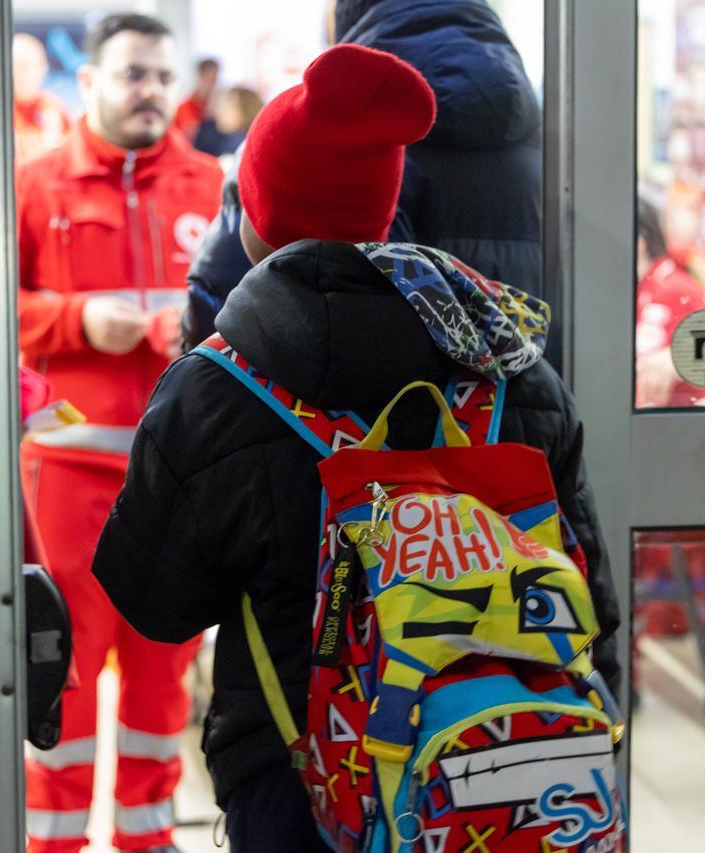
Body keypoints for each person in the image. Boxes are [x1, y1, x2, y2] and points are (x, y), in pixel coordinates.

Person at [91, 44, 620, 851]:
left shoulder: (217, 389)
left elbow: (154, 603)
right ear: (381, 208)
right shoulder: (516, 370)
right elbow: (594, 607)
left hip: (300, 793)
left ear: (256, 217)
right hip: (516, 788)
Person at [14, 12, 222, 853]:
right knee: (60, 683)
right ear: (90, 82)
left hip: (178, 485)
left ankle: (147, 840)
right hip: (67, 480)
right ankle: (53, 845)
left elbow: (256, 309)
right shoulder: (34, 186)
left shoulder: (212, 185)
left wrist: (204, 325)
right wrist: (74, 318)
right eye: (134, 74)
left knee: (161, 686)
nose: (152, 92)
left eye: (164, 77)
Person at [181, 0, 546, 354]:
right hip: (496, 398)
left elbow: (217, 307)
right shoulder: (550, 127)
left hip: (299, 403)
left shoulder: (303, 129)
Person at [635, 196, 705, 409]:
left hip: (679, 425)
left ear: (640, 243)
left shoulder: (676, 289)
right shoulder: (644, 287)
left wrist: (678, 359)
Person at [13, 33, 73, 166]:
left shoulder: (55, 109)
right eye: (17, 66)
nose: (23, 74)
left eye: (29, 66)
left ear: (43, 68)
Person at [173, 57, 219, 141]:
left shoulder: (217, 112)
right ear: (200, 76)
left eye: (215, 79)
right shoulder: (182, 109)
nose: (212, 85)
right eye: (209, 78)